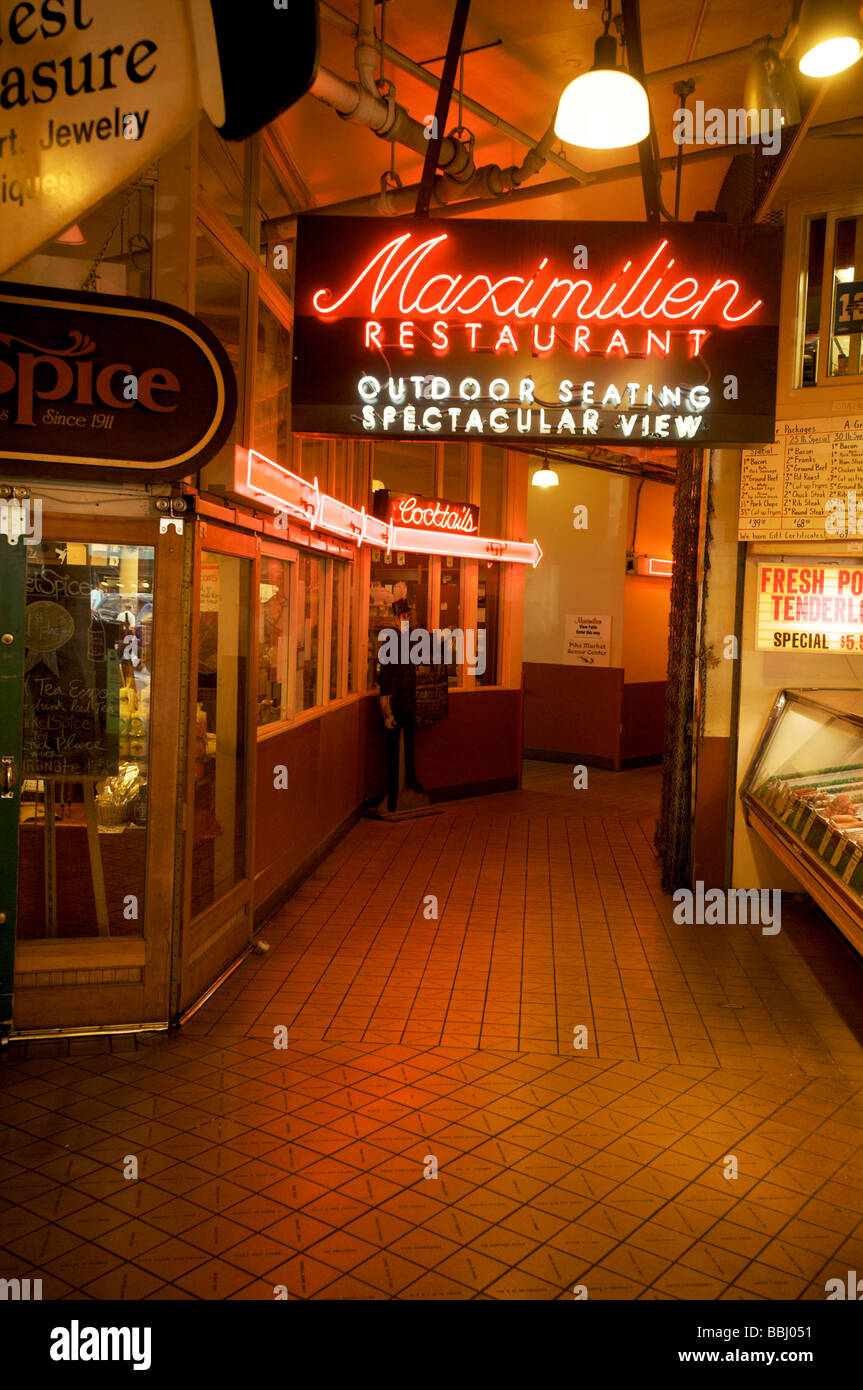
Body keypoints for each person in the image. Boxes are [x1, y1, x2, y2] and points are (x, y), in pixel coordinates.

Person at [378, 597, 425, 812]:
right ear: (396, 619)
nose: (407, 620)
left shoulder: (411, 640)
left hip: (408, 700)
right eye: (403, 616)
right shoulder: (390, 641)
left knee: (410, 744)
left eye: (408, 616)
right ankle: (393, 792)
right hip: (395, 700)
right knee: (392, 748)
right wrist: (386, 711)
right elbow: (385, 680)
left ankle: (412, 781)